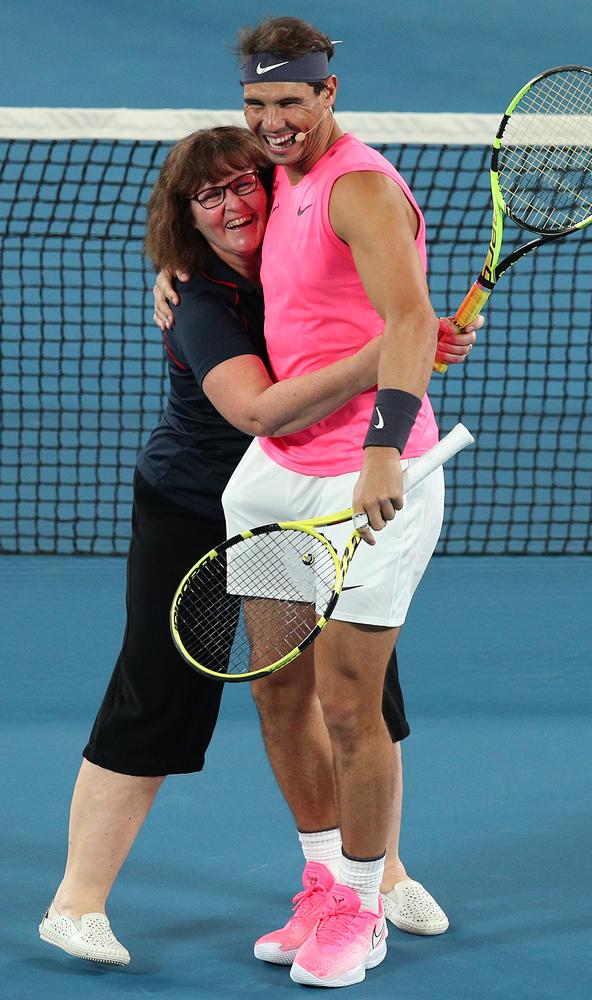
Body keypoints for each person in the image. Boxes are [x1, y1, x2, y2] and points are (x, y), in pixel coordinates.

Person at [38, 125, 458, 969]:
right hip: (201, 508)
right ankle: (75, 901)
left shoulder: (300, 253)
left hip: (323, 502)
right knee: (159, 692)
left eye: (245, 187)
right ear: (184, 219)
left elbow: (382, 286)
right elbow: (263, 414)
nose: (234, 205)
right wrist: (389, 351)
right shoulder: (197, 300)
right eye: (209, 197)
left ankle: (367, 878)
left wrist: (413, 341)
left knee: (357, 698)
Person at [153, 16, 483, 990]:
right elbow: (294, 290)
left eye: (288, 102)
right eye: (255, 105)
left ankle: (366, 906)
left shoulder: (360, 187)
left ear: (326, 94)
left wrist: (383, 448)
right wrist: (171, 277)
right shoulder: (280, 174)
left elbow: (409, 314)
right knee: (275, 688)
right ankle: (321, 885)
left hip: (372, 478)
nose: (271, 122)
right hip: (274, 479)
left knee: (347, 701)